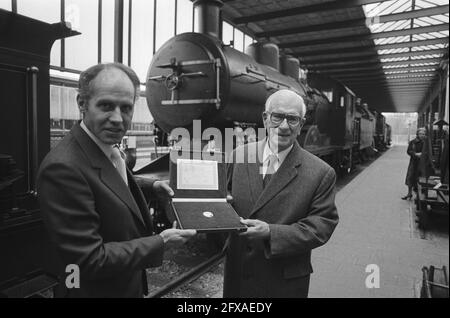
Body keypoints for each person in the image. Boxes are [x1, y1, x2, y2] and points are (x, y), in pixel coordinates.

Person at [37, 63, 196, 297]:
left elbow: (110, 179)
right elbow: (90, 259)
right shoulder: (62, 168)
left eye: (126, 108)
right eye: (106, 106)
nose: (117, 118)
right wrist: (161, 242)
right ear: (82, 103)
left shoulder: (102, 148)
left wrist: (152, 186)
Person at [224, 89, 339, 298]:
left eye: (292, 119)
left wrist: (271, 232)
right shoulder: (240, 156)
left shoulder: (321, 173)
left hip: (283, 283)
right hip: (239, 276)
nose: (284, 126)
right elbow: (227, 197)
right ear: (265, 119)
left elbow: (321, 226)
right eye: (277, 116)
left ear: (302, 124)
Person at [402, 127, 427, 200]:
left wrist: (422, 154)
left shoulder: (426, 143)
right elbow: (409, 151)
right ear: (417, 134)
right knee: (410, 177)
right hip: (413, 162)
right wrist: (415, 154)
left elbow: (429, 152)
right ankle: (409, 193)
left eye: (423, 134)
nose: (422, 135)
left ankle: (418, 196)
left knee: (419, 178)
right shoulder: (412, 142)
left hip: (422, 163)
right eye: (420, 134)